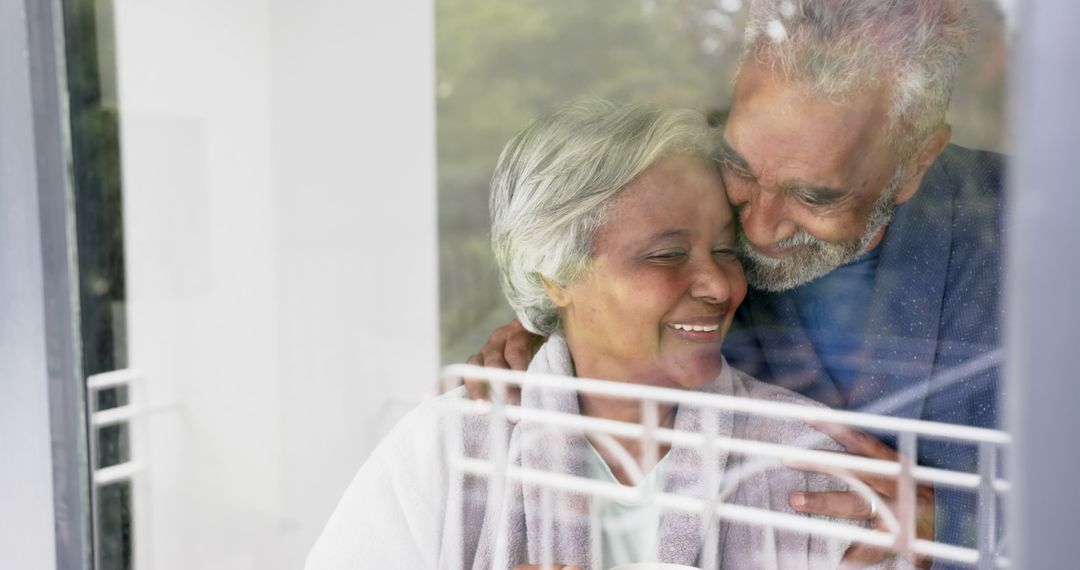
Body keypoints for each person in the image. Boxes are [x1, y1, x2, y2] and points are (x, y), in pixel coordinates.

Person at [470, 1, 1003, 567]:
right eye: (741, 167)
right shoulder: (690, 194)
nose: (756, 227)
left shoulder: (1040, 245)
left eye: (813, 196)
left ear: (916, 160)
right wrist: (561, 330)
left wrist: (957, 526)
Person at [307, 101, 869, 569]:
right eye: (667, 254)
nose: (719, 285)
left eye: (725, 249)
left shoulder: (809, 461)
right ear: (556, 275)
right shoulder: (451, 448)